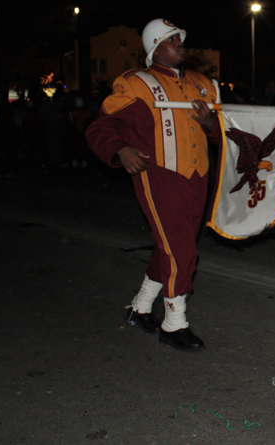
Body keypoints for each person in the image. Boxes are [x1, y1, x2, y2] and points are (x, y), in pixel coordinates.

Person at [85, 19, 218, 351]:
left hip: (198, 176)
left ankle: (140, 305)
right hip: (159, 175)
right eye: (173, 40)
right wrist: (120, 149)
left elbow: (222, 134)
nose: (181, 44)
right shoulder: (135, 84)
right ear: (155, 47)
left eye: (181, 39)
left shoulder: (204, 84)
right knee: (182, 250)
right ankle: (174, 324)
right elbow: (101, 127)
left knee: (171, 246)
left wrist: (210, 124)